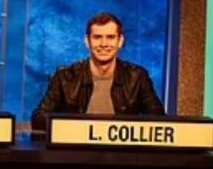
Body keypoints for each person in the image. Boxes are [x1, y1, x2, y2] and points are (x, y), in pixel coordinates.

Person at [31, 12, 165, 130]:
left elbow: (158, 118)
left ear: (120, 41)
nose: (104, 44)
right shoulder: (65, 76)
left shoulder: (137, 76)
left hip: (122, 155)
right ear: (87, 41)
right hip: (75, 153)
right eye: (97, 37)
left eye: (110, 37)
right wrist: (81, 129)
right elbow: (38, 119)